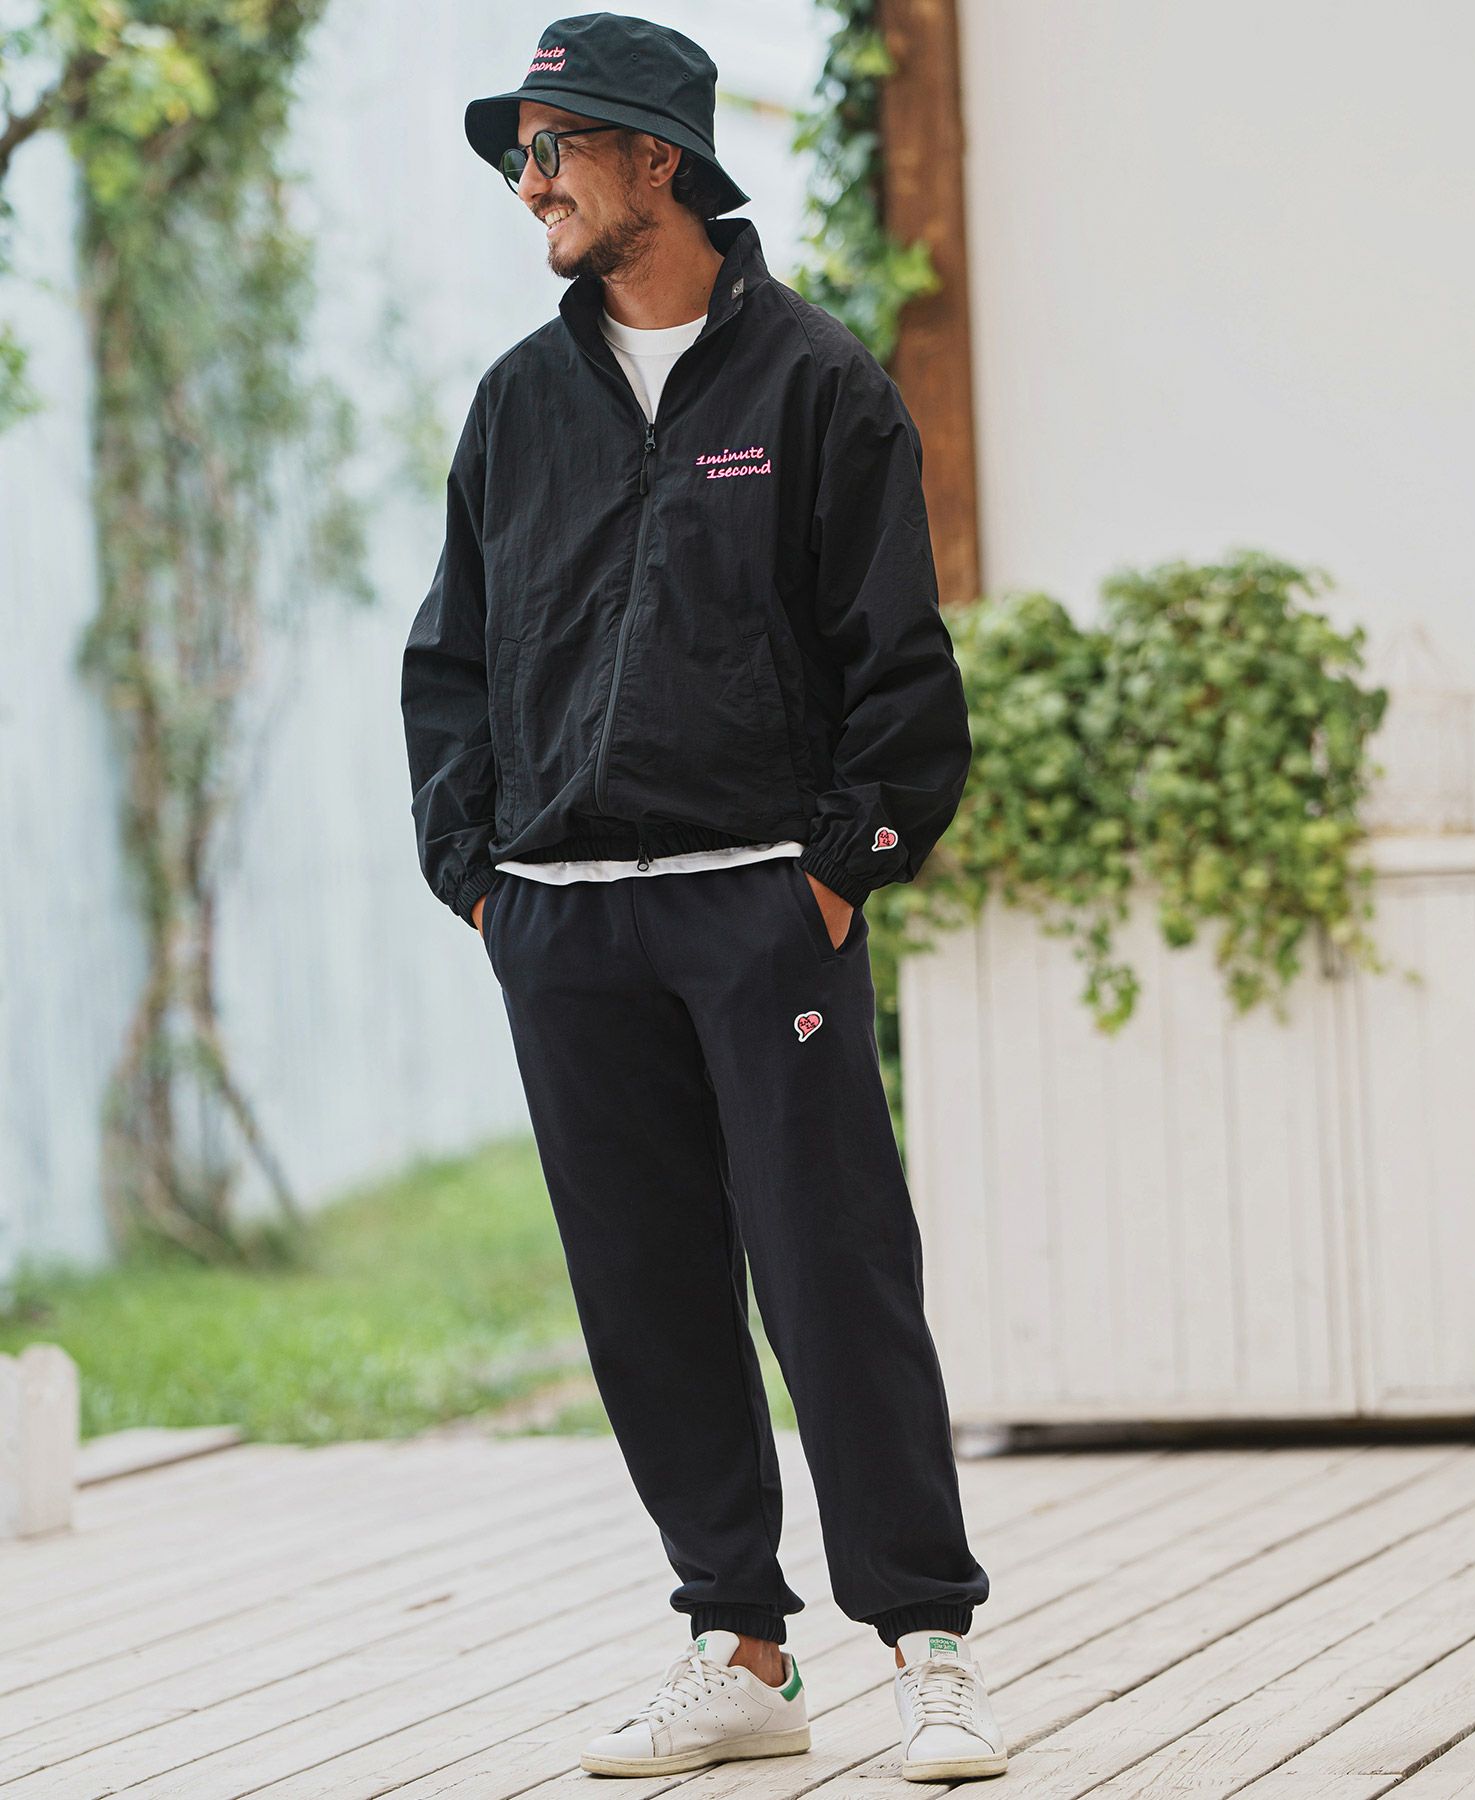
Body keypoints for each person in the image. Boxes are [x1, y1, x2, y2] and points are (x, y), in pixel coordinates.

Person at [400, 11, 1006, 1783]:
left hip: (758, 909)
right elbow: (451, 661)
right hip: (564, 922)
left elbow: (899, 668)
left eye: (554, 148)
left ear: (654, 157)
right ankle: (736, 1646)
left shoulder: (815, 386)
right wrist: (480, 881)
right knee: (646, 1293)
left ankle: (928, 1644)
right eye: (517, 155)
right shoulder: (519, 405)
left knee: (832, 1275)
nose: (529, 185)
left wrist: (836, 875)